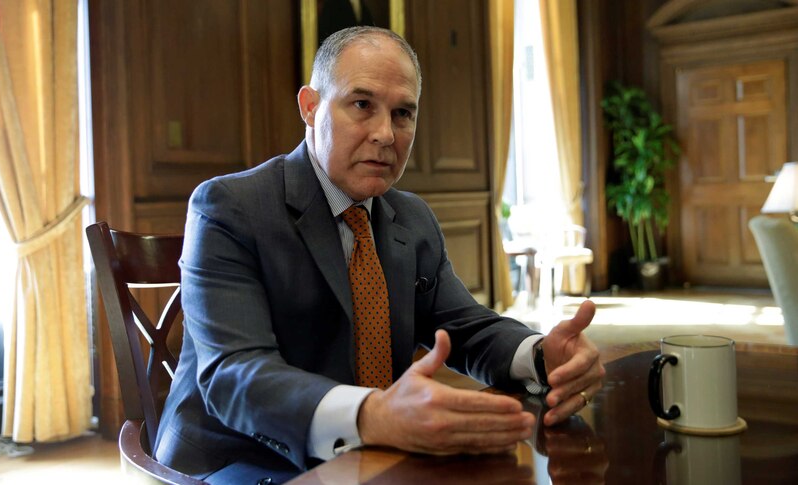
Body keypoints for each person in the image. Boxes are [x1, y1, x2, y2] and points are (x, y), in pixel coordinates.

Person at [154, 26, 604, 484]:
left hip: (372, 461)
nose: (386, 134)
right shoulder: (230, 208)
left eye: (403, 113)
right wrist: (372, 415)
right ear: (310, 108)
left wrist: (541, 355)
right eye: (362, 105)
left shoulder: (411, 218)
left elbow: (466, 327)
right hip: (238, 461)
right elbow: (234, 373)